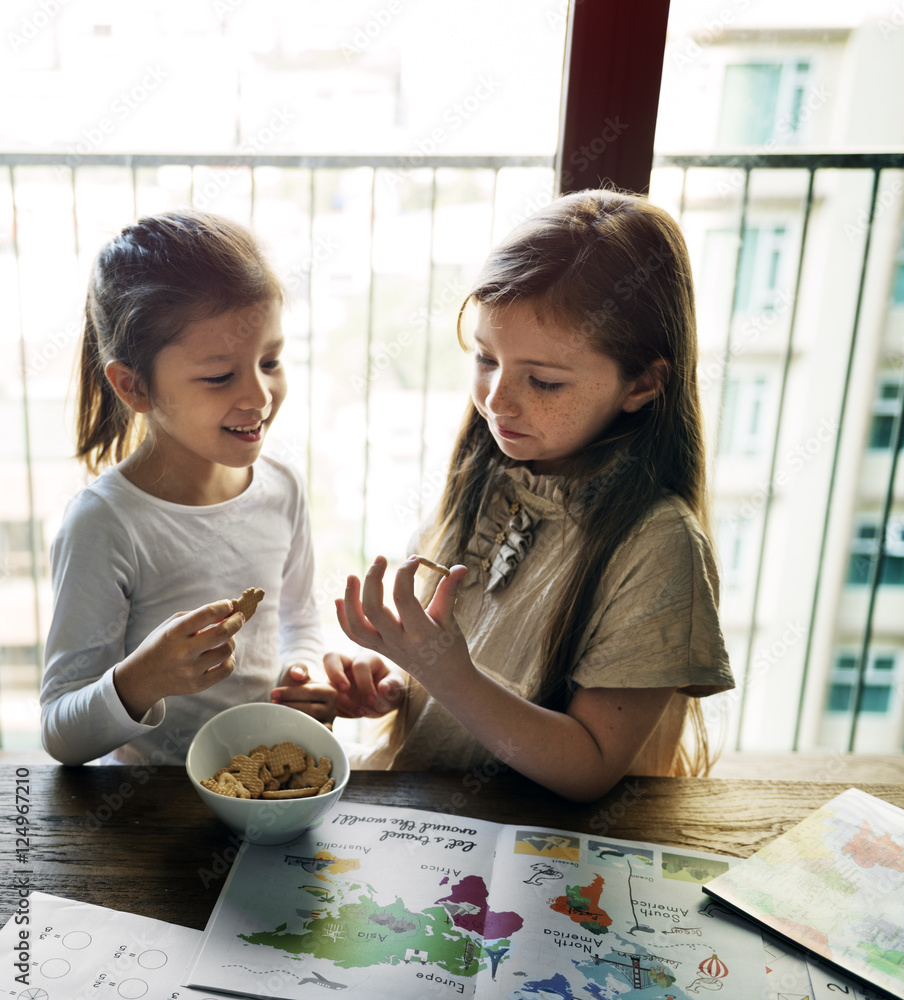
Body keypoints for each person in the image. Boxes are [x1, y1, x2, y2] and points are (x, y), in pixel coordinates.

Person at [329, 188, 734, 802]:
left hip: (540, 848)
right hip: (424, 812)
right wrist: (393, 680)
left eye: (544, 381)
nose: (497, 401)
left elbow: (590, 767)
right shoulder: (488, 473)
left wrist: (445, 671)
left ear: (644, 383)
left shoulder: (658, 546)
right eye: (486, 359)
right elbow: (470, 667)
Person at [40, 210, 346, 767]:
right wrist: (141, 680)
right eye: (219, 376)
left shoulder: (282, 488)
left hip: (263, 790)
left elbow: (298, 621)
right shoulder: (104, 524)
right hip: (148, 813)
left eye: (271, 361)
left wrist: (299, 674)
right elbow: (61, 732)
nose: (259, 396)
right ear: (133, 386)